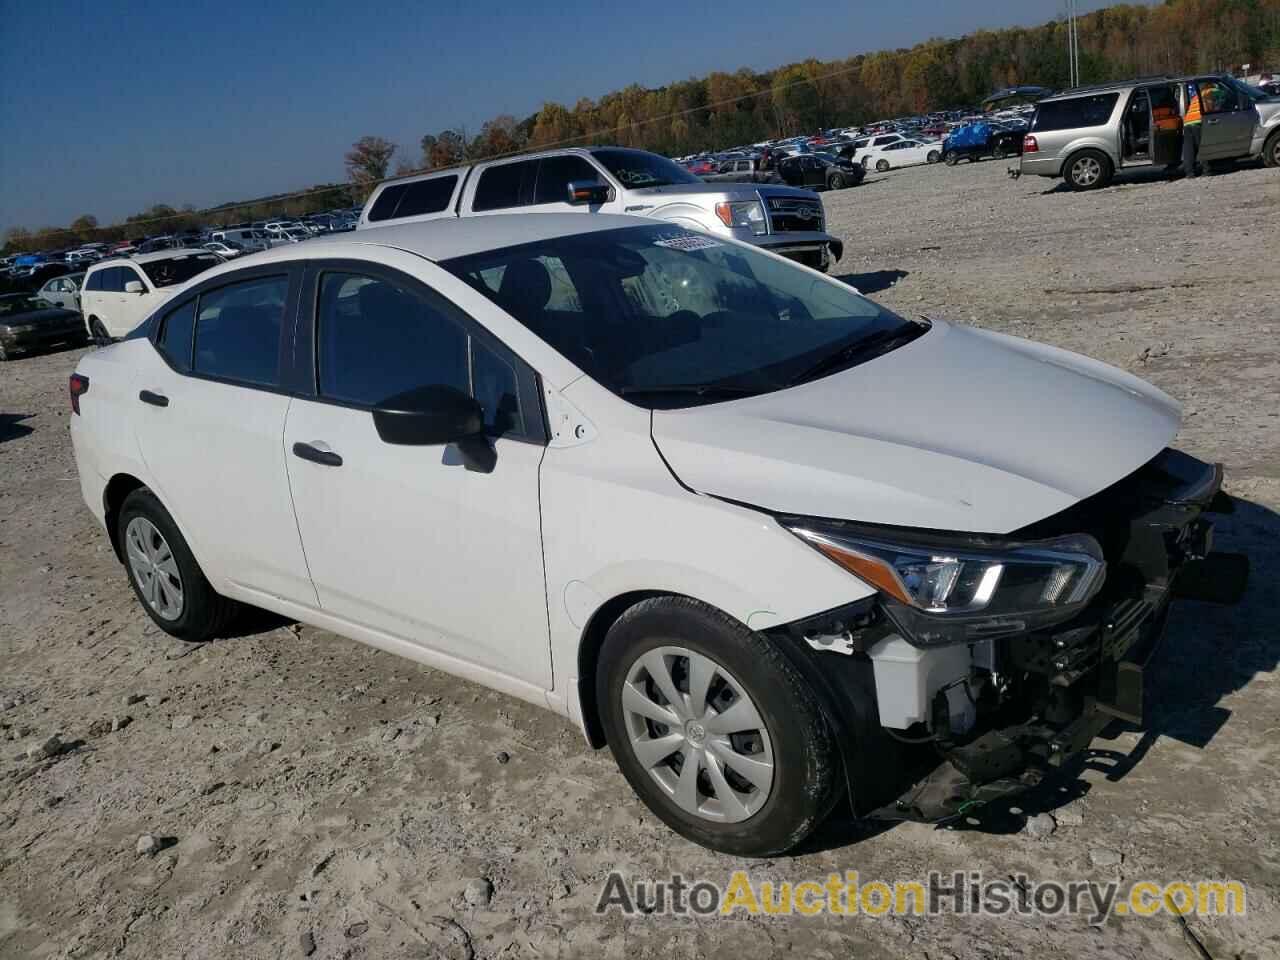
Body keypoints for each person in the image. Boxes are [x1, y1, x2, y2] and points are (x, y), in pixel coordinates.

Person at [1181, 81, 1204, 178]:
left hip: (1187, 122)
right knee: (1203, 146)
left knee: (1189, 149)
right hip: (1198, 121)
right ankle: (1207, 170)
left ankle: (1189, 173)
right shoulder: (1213, 91)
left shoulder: (1197, 96)